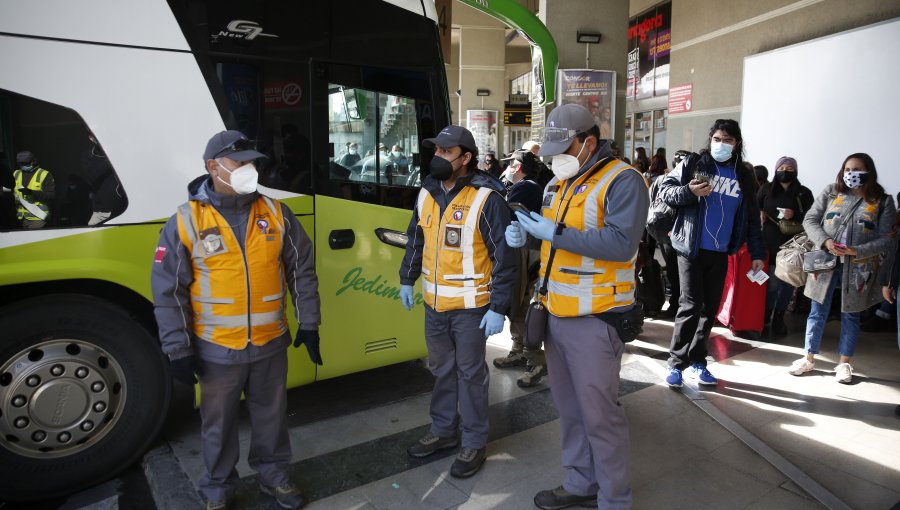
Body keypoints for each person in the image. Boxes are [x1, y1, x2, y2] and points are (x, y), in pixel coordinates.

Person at [151, 130, 321, 510]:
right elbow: (168, 291)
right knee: (218, 425)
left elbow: (302, 272)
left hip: (269, 343)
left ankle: (274, 478)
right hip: (217, 350)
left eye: (252, 162)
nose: (249, 169)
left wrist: (309, 323)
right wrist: (176, 348)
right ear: (213, 167)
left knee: (272, 419)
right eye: (239, 162)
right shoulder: (186, 221)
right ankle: (217, 488)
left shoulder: (276, 213)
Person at [507, 104, 647, 509]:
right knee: (569, 411)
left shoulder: (624, 180)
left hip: (597, 319)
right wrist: (530, 238)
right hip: (557, 314)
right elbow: (558, 245)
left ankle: (614, 500)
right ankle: (581, 483)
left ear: (589, 141)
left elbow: (621, 244)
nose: (555, 159)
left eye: (563, 148)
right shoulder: (561, 182)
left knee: (600, 417)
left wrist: (555, 231)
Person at [398, 125, 514, 479]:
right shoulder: (427, 193)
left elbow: (505, 258)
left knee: (470, 375)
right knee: (441, 371)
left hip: (471, 309)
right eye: (436, 151)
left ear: (466, 158)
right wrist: (407, 277)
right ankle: (444, 431)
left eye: (446, 152)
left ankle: (474, 441)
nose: (438, 157)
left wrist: (499, 307)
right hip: (434, 306)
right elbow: (415, 239)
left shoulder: (487, 198)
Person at [657, 118, 765, 388]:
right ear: (710, 140)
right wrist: (689, 192)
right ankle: (675, 364)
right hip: (691, 248)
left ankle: (697, 361)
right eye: (717, 139)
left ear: (737, 144)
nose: (722, 144)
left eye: (728, 140)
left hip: (721, 252)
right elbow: (666, 192)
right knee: (690, 306)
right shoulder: (696, 163)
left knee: (710, 309)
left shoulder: (743, 175)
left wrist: (757, 253)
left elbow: (751, 218)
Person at [788, 153, 896, 384]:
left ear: (868, 171)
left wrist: (856, 251)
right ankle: (808, 357)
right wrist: (825, 242)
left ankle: (844, 363)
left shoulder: (883, 201)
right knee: (817, 311)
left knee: (851, 315)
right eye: (847, 169)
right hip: (825, 263)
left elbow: (887, 239)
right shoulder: (831, 192)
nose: (850, 174)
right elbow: (810, 220)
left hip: (859, 268)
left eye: (856, 169)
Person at [493, 149, 547, 387]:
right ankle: (519, 351)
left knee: (522, 304)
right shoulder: (530, 186)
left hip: (524, 253)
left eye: (511, 163)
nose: (508, 168)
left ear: (519, 166)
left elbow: (507, 218)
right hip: (524, 252)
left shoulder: (525, 187)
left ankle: (535, 360)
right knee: (518, 303)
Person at [757, 156, 814, 335]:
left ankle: (780, 317)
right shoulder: (766, 189)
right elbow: (753, 208)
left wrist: (795, 214)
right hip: (769, 243)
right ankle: (766, 314)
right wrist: (760, 214)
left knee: (786, 284)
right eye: (781, 167)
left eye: (789, 167)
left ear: (795, 171)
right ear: (775, 170)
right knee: (771, 283)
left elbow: (812, 218)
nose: (785, 170)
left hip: (793, 247)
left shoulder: (803, 193)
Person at [82, 133, 127, 225]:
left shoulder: (120, 152)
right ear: (91, 138)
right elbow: (92, 176)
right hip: (102, 212)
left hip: (123, 208)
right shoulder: (88, 156)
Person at [12, 150, 55, 229]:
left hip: (38, 217)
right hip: (20, 218)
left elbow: (51, 195)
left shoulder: (44, 174)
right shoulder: (16, 174)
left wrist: (32, 193)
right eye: (21, 163)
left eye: (26, 163)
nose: (23, 165)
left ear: (33, 161)